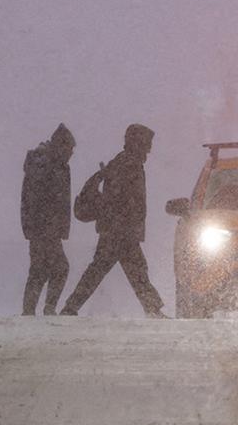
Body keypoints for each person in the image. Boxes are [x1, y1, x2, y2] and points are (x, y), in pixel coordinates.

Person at [59, 124, 167, 318]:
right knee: (132, 270)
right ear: (138, 143)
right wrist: (126, 221)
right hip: (120, 230)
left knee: (109, 270)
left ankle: (70, 308)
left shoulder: (125, 162)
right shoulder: (127, 163)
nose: (150, 149)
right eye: (147, 144)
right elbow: (119, 199)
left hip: (118, 229)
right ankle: (153, 310)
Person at [20, 124, 76, 315]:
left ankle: (31, 311)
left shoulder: (50, 163)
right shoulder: (46, 164)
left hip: (43, 227)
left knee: (40, 269)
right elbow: (38, 199)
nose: (71, 153)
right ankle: (45, 308)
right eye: (70, 149)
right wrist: (50, 225)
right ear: (61, 146)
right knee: (58, 268)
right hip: (44, 227)